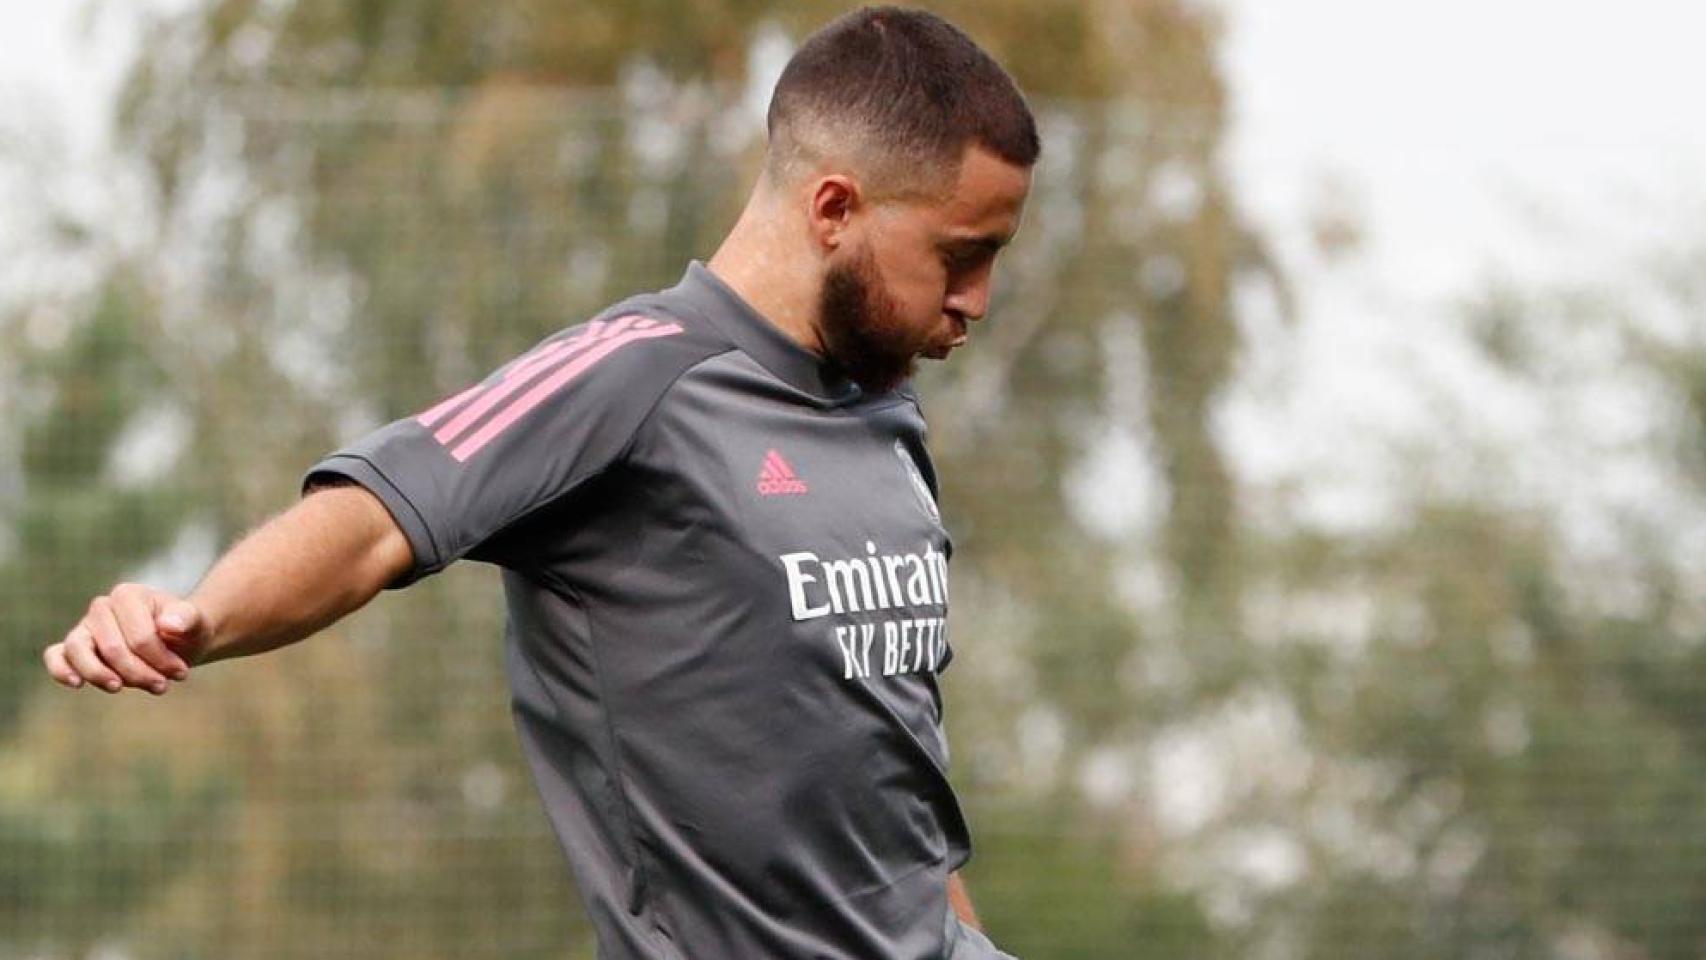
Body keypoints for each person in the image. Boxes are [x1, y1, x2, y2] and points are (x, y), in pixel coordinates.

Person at [42, 6, 1038, 958]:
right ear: (834, 208)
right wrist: (199, 618)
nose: (978, 300)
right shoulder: (633, 376)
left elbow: (894, 767)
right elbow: (374, 518)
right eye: (962, 255)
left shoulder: (884, 416)